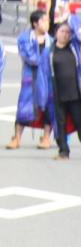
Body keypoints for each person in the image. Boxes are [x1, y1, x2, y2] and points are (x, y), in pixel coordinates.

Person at [36, 12, 81, 161]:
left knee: (80, 121)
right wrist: (42, 97)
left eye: (68, 32)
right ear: (56, 33)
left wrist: (68, 17)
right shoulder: (48, 52)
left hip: (75, 92)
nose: (65, 34)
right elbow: (43, 75)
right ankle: (63, 151)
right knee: (60, 123)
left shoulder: (76, 48)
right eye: (62, 31)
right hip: (57, 94)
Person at [8, 10, 54, 150]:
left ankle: (46, 138)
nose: (47, 23)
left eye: (47, 20)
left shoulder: (51, 40)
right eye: (44, 20)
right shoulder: (24, 38)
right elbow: (30, 57)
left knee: (48, 107)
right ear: (35, 23)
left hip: (47, 78)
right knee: (24, 106)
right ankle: (17, 138)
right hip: (30, 78)